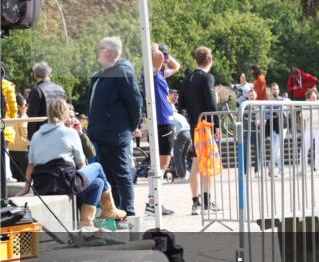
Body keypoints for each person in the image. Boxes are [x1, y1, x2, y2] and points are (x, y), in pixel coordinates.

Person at [17, 99, 126, 229]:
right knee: (97, 167)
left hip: (42, 186)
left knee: (99, 183)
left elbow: (31, 165)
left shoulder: (36, 136)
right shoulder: (70, 133)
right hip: (65, 183)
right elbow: (81, 165)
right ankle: (109, 209)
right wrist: (85, 181)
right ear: (64, 114)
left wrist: (25, 189)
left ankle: (86, 224)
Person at [86, 36, 143, 220]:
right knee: (108, 178)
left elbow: (135, 101)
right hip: (100, 134)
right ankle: (115, 213)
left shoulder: (122, 72)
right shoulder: (101, 74)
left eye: (100, 48)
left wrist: (132, 126)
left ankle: (129, 212)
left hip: (115, 133)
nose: (98, 51)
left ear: (109, 52)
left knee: (122, 174)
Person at [180, 46, 219, 214]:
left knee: (196, 163)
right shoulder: (207, 78)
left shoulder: (187, 78)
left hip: (193, 125)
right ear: (209, 60)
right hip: (206, 126)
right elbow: (211, 103)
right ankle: (206, 201)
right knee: (207, 164)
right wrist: (217, 124)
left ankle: (195, 202)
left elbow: (181, 104)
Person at [143, 44, 180, 215]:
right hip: (162, 122)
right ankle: (153, 201)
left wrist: (166, 55)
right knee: (161, 164)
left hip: (163, 122)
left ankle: (154, 200)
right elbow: (157, 59)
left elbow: (177, 66)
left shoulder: (159, 74)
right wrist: (155, 49)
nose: (166, 60)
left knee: (159, 164)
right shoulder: (153, 72)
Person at [26, 62, 67, 140]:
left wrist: (30, 138)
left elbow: (33, 117)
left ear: (35, 75)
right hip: (61, 134)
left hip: (43, 135)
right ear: (49, 74)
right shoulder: (61, 90)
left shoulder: (36, 91)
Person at [300, 88, 319, 170]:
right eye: (312, 97)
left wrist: (312, 114)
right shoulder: (305, 104)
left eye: (315, 96)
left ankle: (318, 168)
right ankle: (302, 168)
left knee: (318, 149)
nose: (314, 98)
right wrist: (311, 110)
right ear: (308, 98)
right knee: (304, 148)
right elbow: (304, 116)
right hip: (309, 128)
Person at [10, 94, 29, 181]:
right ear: (20, 106)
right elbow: (25, 133)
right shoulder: (24, 117)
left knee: (14, 178)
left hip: (11, 149)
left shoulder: (9, 116)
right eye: (25, 105)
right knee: (23, 180)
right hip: (23, 151)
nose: (27, 107)